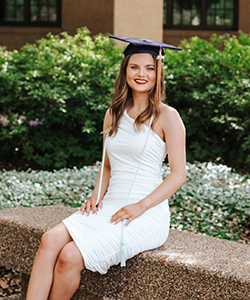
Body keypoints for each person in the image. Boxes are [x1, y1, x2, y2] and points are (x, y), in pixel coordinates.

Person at [26, 36, 186, 300]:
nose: (141, 74)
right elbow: (108, 165)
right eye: (134, 67)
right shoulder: (113, 113)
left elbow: (178, 175)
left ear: (158, 73)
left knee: (69, 257)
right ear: (125, 71)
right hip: (110, 203)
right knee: (49, 240)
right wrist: (96, 195)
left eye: (149, 68)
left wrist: (140, 206)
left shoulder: (168, 116)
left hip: (145, 213)